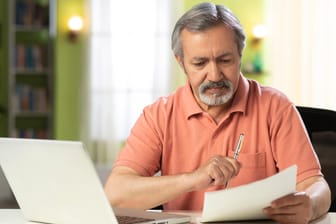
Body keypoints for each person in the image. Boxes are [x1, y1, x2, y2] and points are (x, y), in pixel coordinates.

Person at [104, 2, 331, 223]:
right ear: (181, 62)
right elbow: (115, 195)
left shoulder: (276, 107)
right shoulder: (158, 115)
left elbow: (316, 185)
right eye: (200, 63)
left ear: (240, 55)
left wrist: (310, 204)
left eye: (225, 60)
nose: (214, 75)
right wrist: (192, 180)